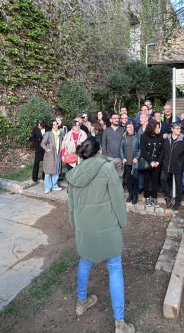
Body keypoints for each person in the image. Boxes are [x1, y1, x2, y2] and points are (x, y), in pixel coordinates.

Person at [65, 137, 135, 333]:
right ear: (99, 150)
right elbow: (118, 198)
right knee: (114, 267)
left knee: (85, 262)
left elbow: (71, 205)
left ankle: (81, 302)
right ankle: (119, 324)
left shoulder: (74, 173)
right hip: (107, 225)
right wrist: (123, 221)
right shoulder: (107, 168)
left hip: (84, 226)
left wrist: (74, 225)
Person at [160, 122, 184, 211]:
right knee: (163, 179)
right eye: (177, 128)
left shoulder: (183, 139)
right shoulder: (166, 138)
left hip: (178, 165)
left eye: (180, 129)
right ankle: (168, 197)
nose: (179, 130)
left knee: (178, 183)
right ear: (172, 129)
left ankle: (177, 202)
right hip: (166, 164)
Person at [139, 121, 164, 208]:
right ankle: (146, 197)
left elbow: (162, 150)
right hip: (148, 162)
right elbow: (143, 151)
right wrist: (151, 162)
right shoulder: (143, 137)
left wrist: (158, 162)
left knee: (155, 180)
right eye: (157, 128)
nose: (159, 129)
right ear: (152, 128)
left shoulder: (160, 136)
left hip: (157, 163)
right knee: (146, 180)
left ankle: (154, 198)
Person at [40, 120, 63, 194]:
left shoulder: (60, 134)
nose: (56, 125)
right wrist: (48, 149)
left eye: (56, 124)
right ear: (51, 126)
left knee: (56, 171)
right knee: (48, 172)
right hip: (50, 155)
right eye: (54, 125)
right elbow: (42, 144)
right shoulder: (48, 134)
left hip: (57, 155)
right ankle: (47, 187)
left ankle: (54, 186)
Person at [120, 122, 140, 204]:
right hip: (127, 162)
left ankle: (135, 195)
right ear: (126, 128)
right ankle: (130, 194)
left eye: (131, 127)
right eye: (128, 127)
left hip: (134, 162)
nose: (130, 128)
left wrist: (137, 158)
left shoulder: (137, 136)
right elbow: (121, 148)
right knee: (128, 179)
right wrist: (122, 158)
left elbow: (140, 148)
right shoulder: (124, 137)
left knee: (135, 178)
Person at [102, 113, 125, 180]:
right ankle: (111, 190)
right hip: (110, 158)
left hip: (120, 158)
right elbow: (103, 144)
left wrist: (123, 156)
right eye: (114, 118)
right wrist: (106, 156)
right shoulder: (106, 131)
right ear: (110, 120)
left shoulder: (122, 130)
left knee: (120, 177)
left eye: (117, 118)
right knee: (110, 177)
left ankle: (119, 190)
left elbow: (125, 144)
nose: (116, 120)